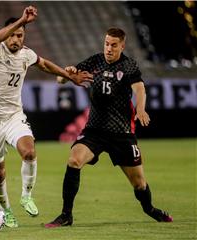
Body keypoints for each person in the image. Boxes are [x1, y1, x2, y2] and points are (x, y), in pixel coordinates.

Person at [0, 6, 93, 228]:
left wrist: (69, 76)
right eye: (12, 34)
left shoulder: (26, 54)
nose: (15, 39)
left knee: (29, 151)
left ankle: (26, 196)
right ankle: (6, 210)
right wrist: (21, 21)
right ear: (6, 33)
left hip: (13, 116)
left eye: (20, 35)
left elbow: (44, 64)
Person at [44, 27, 173, 228]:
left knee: (139, 184)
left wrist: (140, 109)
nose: (109, 49)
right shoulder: (94, 61)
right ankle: (66, 215)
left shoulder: (128, 65)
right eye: (106, 44)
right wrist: (66, 73)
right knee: (74, 160)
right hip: (94, 130)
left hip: (122, 133)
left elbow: (139, 88)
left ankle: (150, 209)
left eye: (114, 45)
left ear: (122, 46)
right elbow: (61, 79)